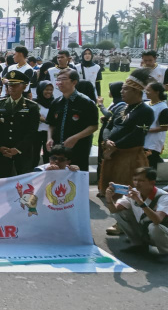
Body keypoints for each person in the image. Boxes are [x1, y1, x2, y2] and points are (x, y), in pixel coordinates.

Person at [99, 68, 154, 233]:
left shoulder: (146, 111)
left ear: (137, 91)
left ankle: (126, 223)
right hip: (113, 155)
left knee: (127, 190)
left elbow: (136, 135)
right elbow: (108, 125)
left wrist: (114, 147)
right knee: (113, 189)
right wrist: (107, 141)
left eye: (125, 89)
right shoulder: (122, 108)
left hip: (129, 157)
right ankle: (121, 221)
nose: (121, 92)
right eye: (122, 88)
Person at [103, 167, 168, 262]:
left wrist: (140, 201)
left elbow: (157, 220)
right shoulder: (132, 192)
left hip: (162, 233)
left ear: (152, 182)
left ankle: (165, 253)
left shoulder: (163, 197)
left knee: (154, 227)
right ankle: (138, 244)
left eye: (141, 180)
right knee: (120, 213)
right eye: (135, 180)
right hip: (145, 231)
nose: (137, 183)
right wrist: (109, 198)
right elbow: (114, 210)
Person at [0, 70, 41, 178]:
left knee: (23, 183)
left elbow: (32, 131)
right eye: (10, 85)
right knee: (1, 181)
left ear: (24, 87)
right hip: (3, 151)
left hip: (22, 152)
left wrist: (17, 149)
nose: (12, 87)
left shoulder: (31, 106)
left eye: (16, 85)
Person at [46, 69, 99, 172]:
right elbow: (51, 124)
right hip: (58, 149)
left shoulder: (86, 102)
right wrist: (49, 138)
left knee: (77, 177)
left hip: (78, 147)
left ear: (74, 82)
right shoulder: (56, 102)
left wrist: (75, 138)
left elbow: (94, 126)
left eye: (64, 79)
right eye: (58, 80)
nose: (60, 83)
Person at [144, 82, 168, 169]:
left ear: (157, 92)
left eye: (148, 90)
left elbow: (164, 127)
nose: (145, 92)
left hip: (153, 143)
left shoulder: (163, 107)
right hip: (143, 141)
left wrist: (147, 130)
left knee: (150, 168)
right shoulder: (145, 104)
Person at [34, 81, 54, 166]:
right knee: (34, 156)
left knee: (48, 156)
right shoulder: (34, 103)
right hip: (36, 133)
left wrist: (44, 120)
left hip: (49, 134)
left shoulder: (55, 102)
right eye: (46, 89)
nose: (49, 92)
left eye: (51, 90)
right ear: (40, 90)